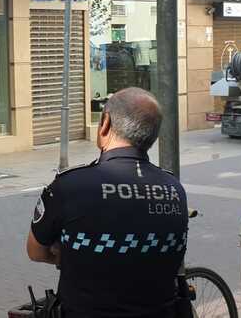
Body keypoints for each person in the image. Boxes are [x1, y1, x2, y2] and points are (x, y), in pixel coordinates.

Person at [27, 88, 188, 318]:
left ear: (105, 124)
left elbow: (35, 251)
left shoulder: (69, 186)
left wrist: (71, 255)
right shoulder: (174, 189)